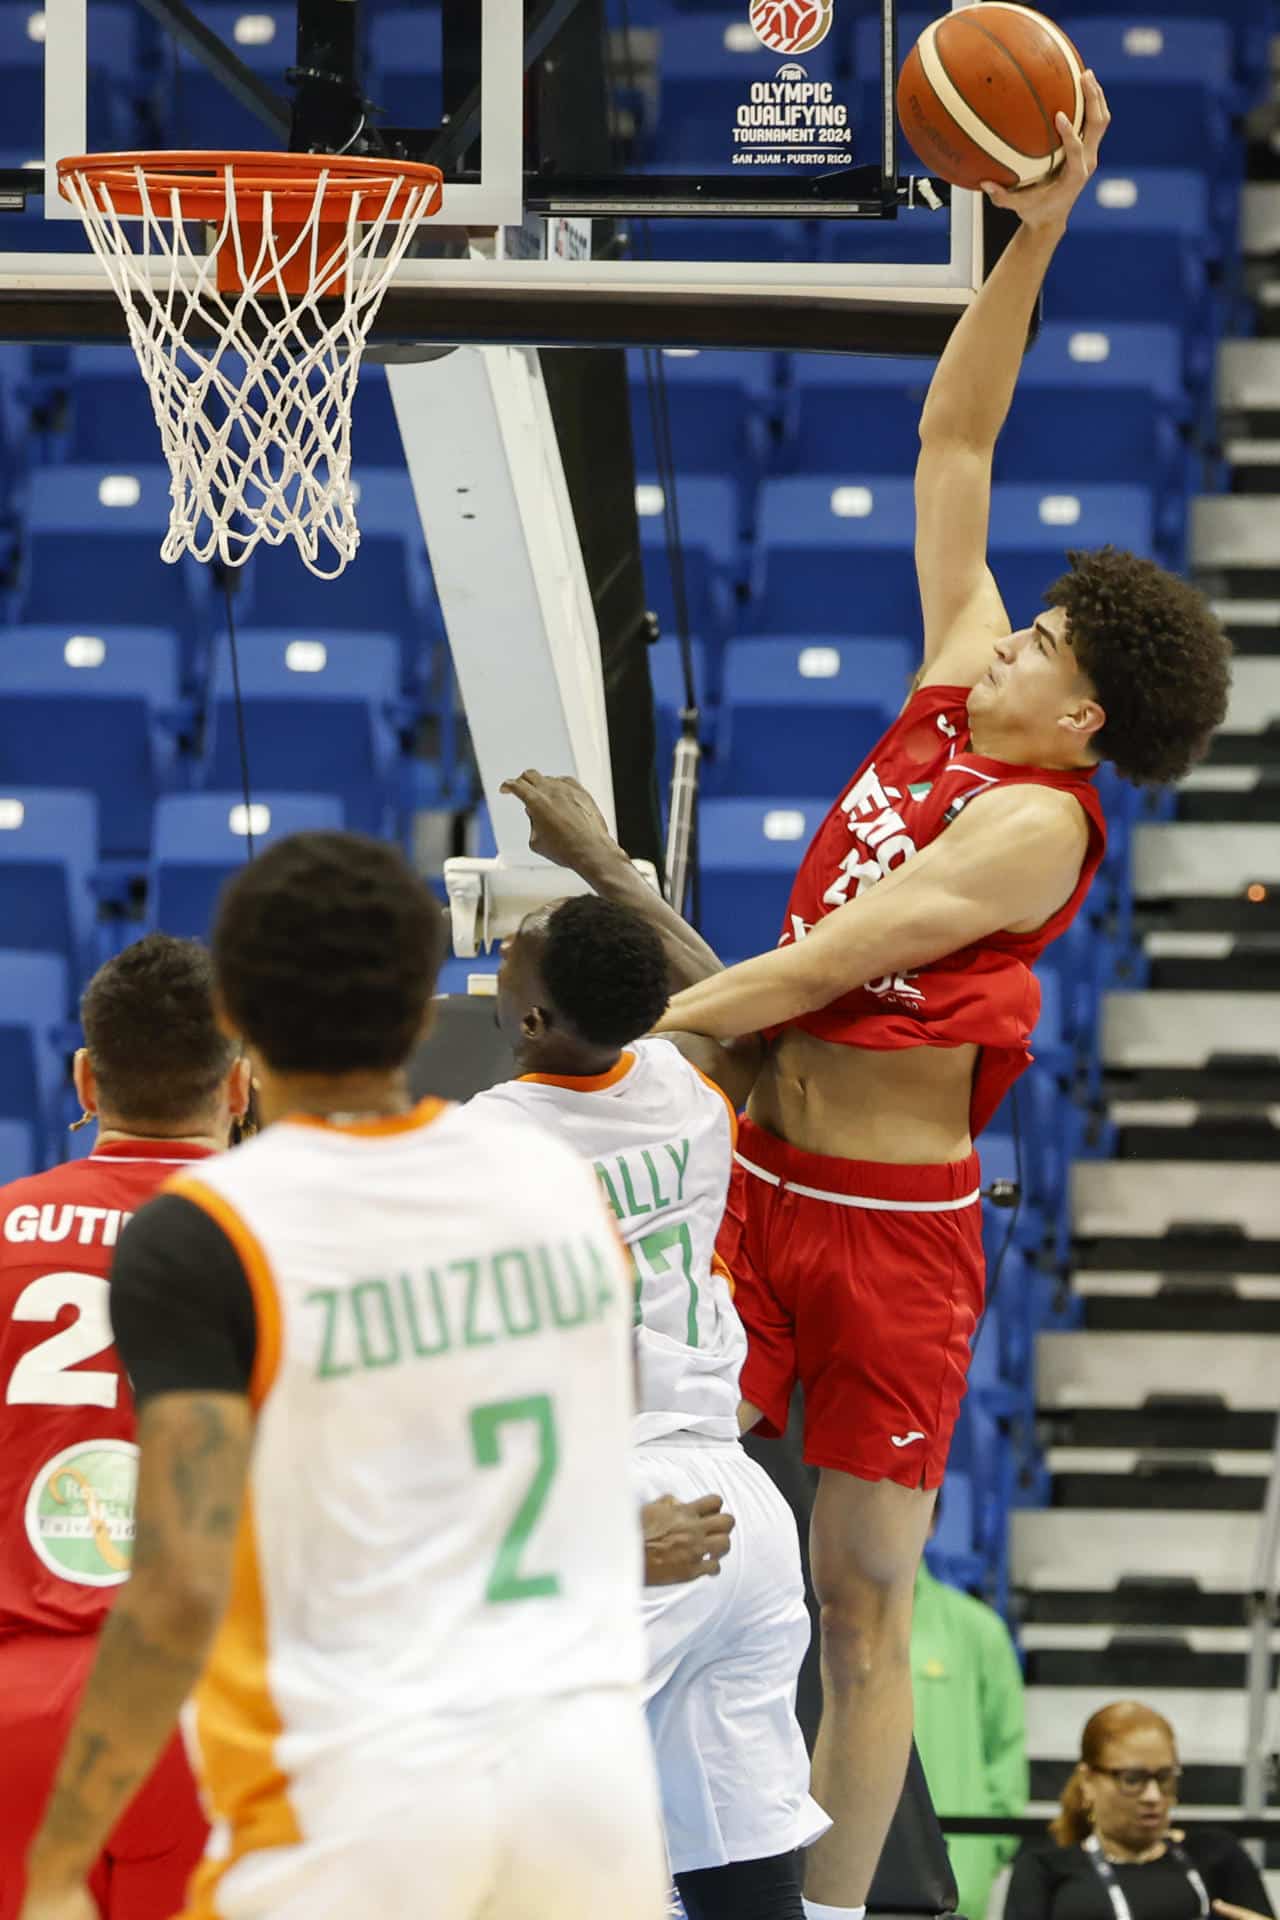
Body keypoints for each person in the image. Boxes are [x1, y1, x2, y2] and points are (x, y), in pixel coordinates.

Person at [500, 71, 1233, 1920]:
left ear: (1079, 720)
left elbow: (821, 969)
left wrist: (647, 1014)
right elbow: (953, 449)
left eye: (1048, 645)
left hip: (896, 1235)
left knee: (861, 1598)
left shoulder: (1037, 831)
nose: (1016, 635)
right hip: (751, 1183)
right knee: (634, 1522)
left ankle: (830, 1916)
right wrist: (1035, 229)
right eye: (1035, 622)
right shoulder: (952, 684)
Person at [17, 830, 704, 1920]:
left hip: (359, 1784)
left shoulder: (229, 1229)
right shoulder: (561, 1198)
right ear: (427, 1013)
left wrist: (62, 1859)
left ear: (239, 1027)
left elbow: (186, 1580)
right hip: (577, 1789)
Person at [473, 894, 826, 1920]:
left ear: (533, 1023)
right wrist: (615, 885)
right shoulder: (687, 1078)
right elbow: (743, 1006)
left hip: (624, 1501)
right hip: (739, 1507)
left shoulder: (488, 1139)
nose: (498, 958)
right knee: (736, 1849)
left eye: (510, 960)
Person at [0, 934, 252, 1920]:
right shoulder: (292, 1250)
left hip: (16, 1697)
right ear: (239, 1088)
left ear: (84, 1079)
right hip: (199, 1708)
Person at [1005, 1701, 1273, 1920]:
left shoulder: (1217, 1854)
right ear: (1088, 1781)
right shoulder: (1044, 1871)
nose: (1153, 1796)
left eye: (1165, 1777)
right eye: (1132, 1780)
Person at [911, 1506, 1027, 1920]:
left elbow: (1007, 1749)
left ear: (931, 1522)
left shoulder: (978, 1629)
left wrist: (990, 1846)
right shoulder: (816, 1625)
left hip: (959, 1867)